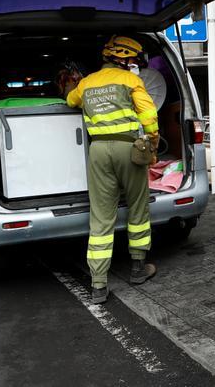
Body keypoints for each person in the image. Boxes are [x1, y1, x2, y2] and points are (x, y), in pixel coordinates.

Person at [64, 35, 161, 304]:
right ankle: (139, 269)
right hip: (128, 149)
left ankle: (98, 284)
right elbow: (150, 118)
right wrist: (152, 147)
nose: (135, 65)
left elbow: (70, 100)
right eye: (133, 60)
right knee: (138, 208)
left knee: (101, 215)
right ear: (124, 59)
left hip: (97, 152)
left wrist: (74, 84)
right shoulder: (131, 81)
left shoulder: (86, 83)